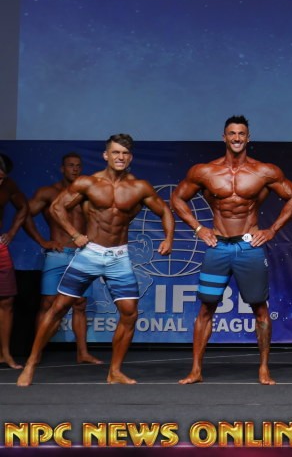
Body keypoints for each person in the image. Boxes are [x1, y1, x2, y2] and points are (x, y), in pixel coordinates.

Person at [17, 134, 174, 386]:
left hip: (119, 256)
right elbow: (57, 207)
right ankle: (31, 363)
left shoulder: (139, 187)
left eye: (125, 153)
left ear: (130, 157)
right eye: (115, 152)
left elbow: (164, 210)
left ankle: (115, 371)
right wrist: (74, 234)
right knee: (59, 307)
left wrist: (168, 238)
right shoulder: (88, 183)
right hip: (90, 254)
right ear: (106, 155)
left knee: (129, 313)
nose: (120, 157)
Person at [171, 115, 292, 386]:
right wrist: (198, 228)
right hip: (218, 245)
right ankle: (196, 370)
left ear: (248, 138)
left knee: (260, 308)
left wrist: (272, 230)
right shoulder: (205, 171)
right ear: (224, 137)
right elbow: (177, 198)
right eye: (232, 133)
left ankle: (264, 369)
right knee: (206, 307)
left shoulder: (263, 171)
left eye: (241, 133)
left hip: (248, 246)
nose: (237, 138)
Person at [22, 152, 102, 365]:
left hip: (81, 255)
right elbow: (24, 213)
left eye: (78, 165)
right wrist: (42, 241)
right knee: (48, 303)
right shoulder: (48, 193)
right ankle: (37, 353)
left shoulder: (87, 194)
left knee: (80, 304)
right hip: (57, 254)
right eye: (70, 165)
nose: (75, 169)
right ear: (62, 168)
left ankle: (82, 353)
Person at [0, 155, 29, 369]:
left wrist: (11, 232)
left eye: (2, 178)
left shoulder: (8, 185)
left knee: (7, 301)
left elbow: (24, 207)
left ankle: (5, 354)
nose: (0, 181)